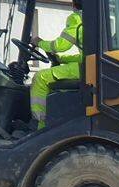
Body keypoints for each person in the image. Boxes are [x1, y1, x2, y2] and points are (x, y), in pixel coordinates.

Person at [29, 0, 83, 128]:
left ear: (73, 4)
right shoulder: (90, 20)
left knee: (40, 78)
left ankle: (41, 125)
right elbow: (84, 56)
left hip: (86, 68)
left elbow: (60, 45)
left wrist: (39, 43)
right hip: (89, 65)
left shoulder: (77, 18)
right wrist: (62, 59)